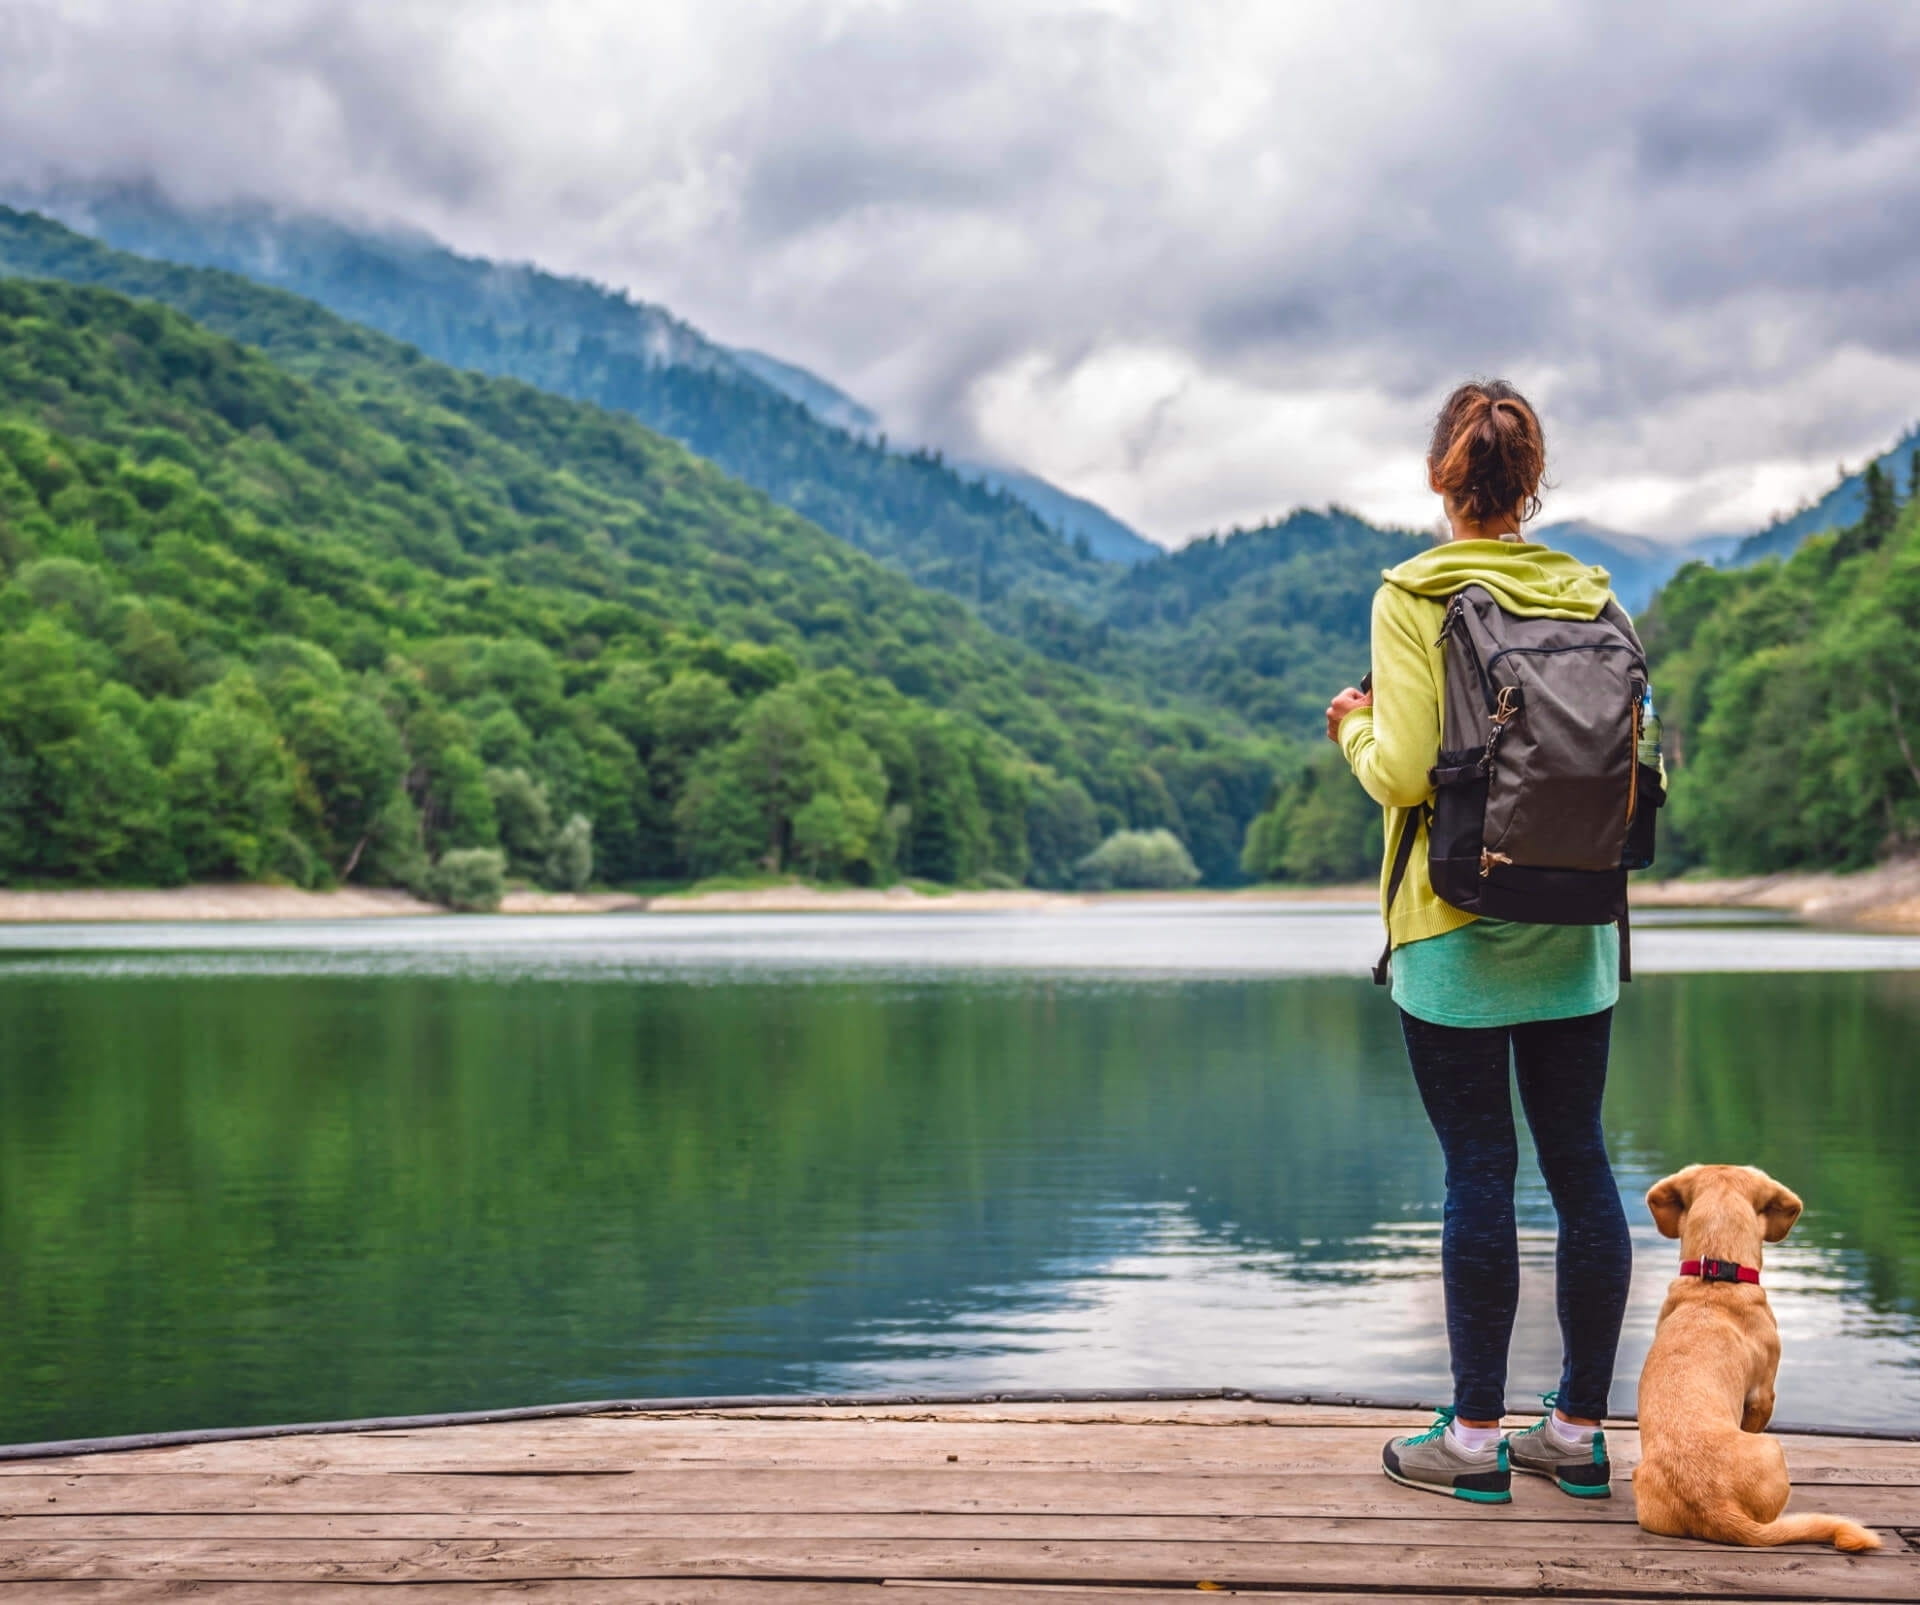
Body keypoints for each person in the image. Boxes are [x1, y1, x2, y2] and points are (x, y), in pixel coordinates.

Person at [1325, 380, 1633, 1504]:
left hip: (1453, 926)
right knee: (1582, 1168)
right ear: (1532, 484)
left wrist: (1354, 728)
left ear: (1439, 479)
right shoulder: (1592, 595)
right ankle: (1580, 1433)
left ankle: (1472, 1443)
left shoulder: (1415, 592)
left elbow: (1405, 773)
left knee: (1480, 1173)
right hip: (1578, 932)